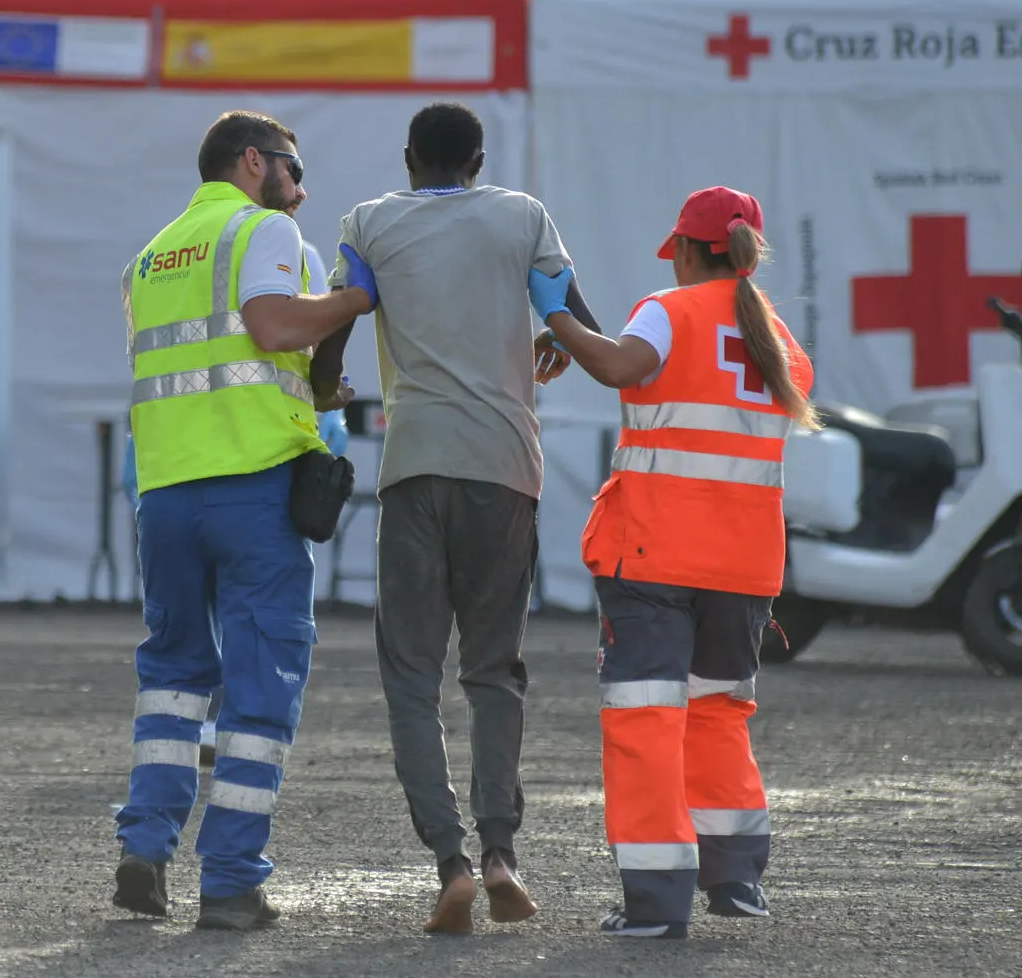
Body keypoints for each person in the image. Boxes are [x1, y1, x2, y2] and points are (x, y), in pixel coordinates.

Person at [310, 101, 597, 934]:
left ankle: (450, 863)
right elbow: (572, 314)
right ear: (477, 160)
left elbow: (341, 319)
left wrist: (326, 387)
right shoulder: (522, 217)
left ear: (408, 159)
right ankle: (504, 850)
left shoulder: (367, 223)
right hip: (507, 469)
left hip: (413, 467)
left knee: (410, 674)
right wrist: (559, 344)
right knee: (494, 669)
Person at [532, 186, 812, 939]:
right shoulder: (778, 343)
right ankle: (736, 878)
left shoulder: (667, 307)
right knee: (718, 714)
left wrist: (555, 314)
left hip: (654, 555)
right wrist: (580, 334)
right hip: (745, 564)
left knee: (645, 722)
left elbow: (625, 368)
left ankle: (656, 903)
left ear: (687, 250)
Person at [112, 110, 367, 932]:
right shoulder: (264, 230)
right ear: (254, 161)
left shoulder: (150, 258)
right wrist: (354, 297)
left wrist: (314, 383)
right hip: (252, 491)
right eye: (293, 166)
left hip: (166, 496)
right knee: (260, 690)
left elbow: (223, 363)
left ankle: (144, 849)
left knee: (174, 676)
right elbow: (271, 325)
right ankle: (228, 881)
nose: (301, 184)